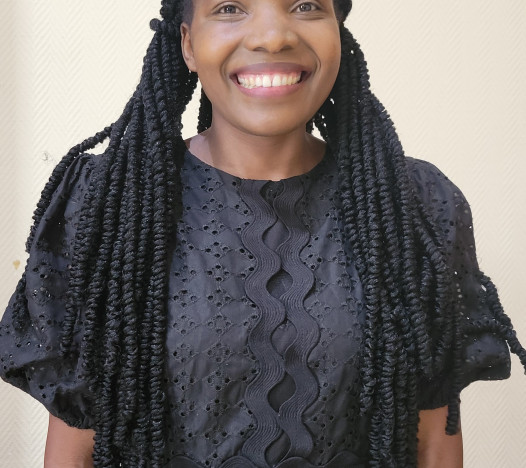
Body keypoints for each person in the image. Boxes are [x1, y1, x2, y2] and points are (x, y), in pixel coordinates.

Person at [0, 0, 524, 466]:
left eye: (306, 5)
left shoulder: (413, 205)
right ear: (187, 42)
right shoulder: (107, 206)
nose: (273, 36)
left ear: (338, 32)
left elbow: (433, 444)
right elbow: (75, 450)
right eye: (229, 7)